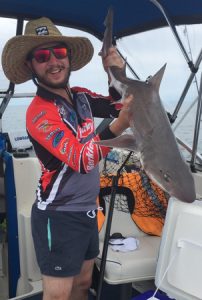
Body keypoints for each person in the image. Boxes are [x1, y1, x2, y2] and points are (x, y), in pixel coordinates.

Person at [1, 17, 132, 300]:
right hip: (56, 217)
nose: (53, 61)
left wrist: (114, 71)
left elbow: (117, 105)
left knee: (84, 284)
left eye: (59, 52)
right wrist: (120, 127)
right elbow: (82, 159)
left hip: (87, 210)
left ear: (69, 57)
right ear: (30, 66)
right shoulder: (39, 113)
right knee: (58, 295)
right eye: (42, 56)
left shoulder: (82, 97)